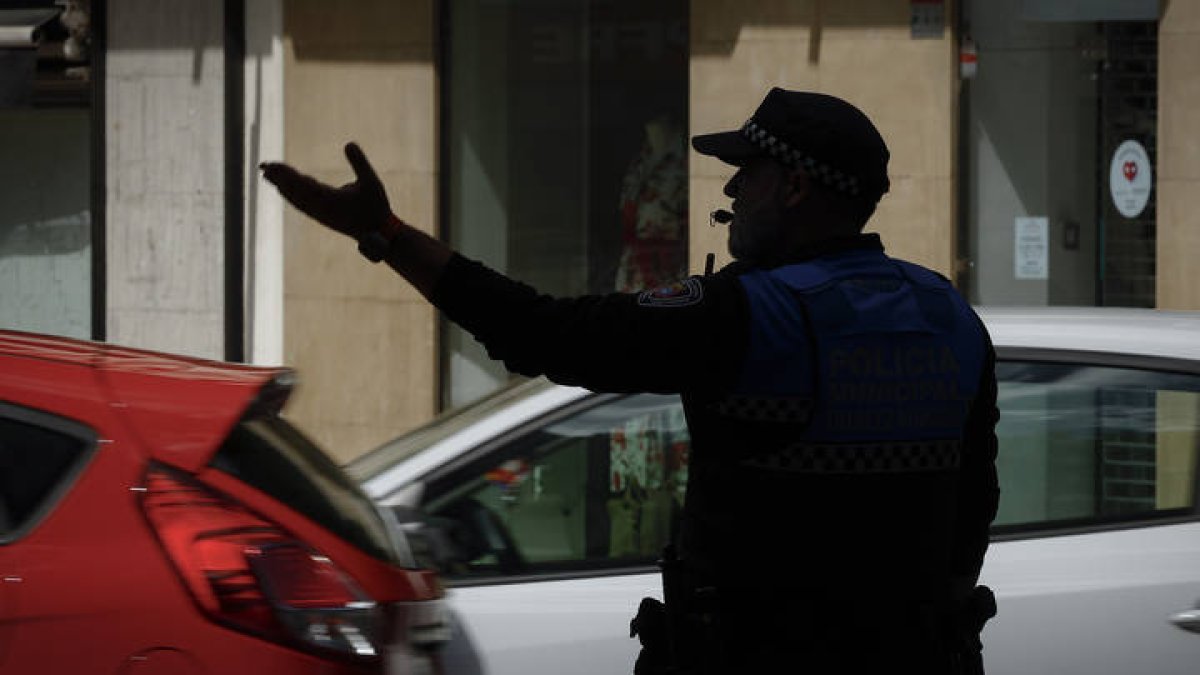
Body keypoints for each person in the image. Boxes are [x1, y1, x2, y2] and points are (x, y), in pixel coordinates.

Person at [261, 87, 999, 675]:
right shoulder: (950, 316)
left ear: (797, 187)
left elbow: (539, 331)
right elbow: (974, 507)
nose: (734, 186)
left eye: (751, 170)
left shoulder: (748, 316)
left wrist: (387, 234)